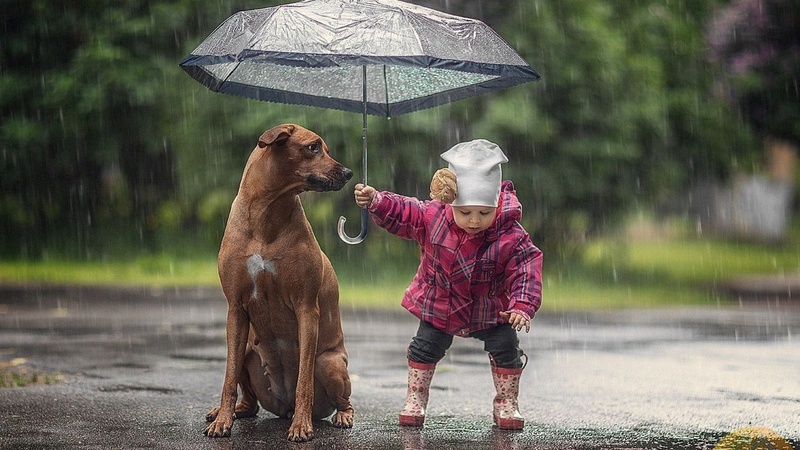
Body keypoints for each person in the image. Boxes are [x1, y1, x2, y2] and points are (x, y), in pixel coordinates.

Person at [353, 139, 543, 430]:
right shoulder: (433, 216)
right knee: (424, 348)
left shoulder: (511, 235)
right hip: (440, 302)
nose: (475, 221)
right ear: (452, 202)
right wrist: (377, 201)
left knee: (507, 348)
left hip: (491, 308)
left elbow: (527, 268)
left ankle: (506, 402)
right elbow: (405, 211)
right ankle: (416, 396)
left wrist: (522, 305)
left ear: (496, 205)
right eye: (465, 212)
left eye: (484, 212)